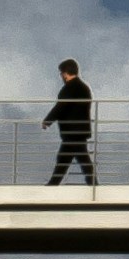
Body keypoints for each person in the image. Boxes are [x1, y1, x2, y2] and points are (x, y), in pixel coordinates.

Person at [44, 59, 96, 187]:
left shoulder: (68, 89)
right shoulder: (84, 88)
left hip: (71, 132)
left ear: (65, 73)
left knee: (67, 159)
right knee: (74, 159)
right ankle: (94, 184)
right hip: (80, 131)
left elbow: (60, 107)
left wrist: (47, 121)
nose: (61, 76)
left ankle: (52, 185)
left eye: (61, 73)